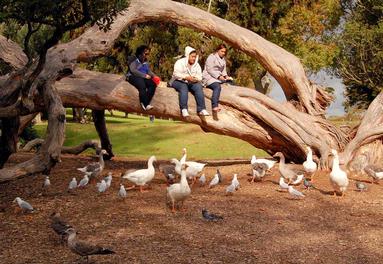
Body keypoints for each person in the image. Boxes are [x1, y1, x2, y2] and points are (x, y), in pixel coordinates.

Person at [169, 46, 209, 117]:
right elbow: (176, 74)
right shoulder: (180, 62)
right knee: (184, 87)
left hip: (191, 82)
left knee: (198, 87)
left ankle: (201, 109)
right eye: (192, 56)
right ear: (187, 56)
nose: (194, 58)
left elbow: (200, 76)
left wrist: (195, 79)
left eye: (195, 57)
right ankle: (184, 109)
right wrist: (186, 77)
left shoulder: (197, 65)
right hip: (177, 81)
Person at [126, 45, 160, 111]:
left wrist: (154, 76)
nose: (147, 55)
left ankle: (146, 102)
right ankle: (144, 103)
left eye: (148, 54)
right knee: (142, 85)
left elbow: (148, 71)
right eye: (146, 54)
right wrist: (144, 75)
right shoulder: (133, 58)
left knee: (152, 85)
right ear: (140, 53)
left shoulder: (145, 61)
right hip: (132, 76)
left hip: (143, 77)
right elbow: (133, 70)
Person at [202, 43, 233, 112]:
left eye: (224, 52)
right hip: (208, 77)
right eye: (222, 51)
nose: (223, 53)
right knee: (217, 87)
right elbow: (210, 69)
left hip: (218, 78)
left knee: (231, 83)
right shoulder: (211, 57)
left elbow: (224, 70)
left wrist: (226, 76)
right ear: (217, 50)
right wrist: (219, 77)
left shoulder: (223, 60)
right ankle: (214, 106)